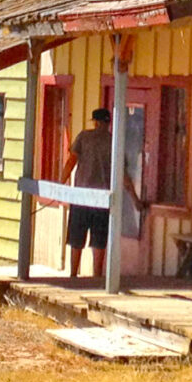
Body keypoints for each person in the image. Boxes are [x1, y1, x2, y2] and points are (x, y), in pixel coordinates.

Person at [60, 106, 141, 282]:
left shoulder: (84, 137)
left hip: (80, 196)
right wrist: (135, 199)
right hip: (102, 199)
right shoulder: (114, 143)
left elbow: (71, 162)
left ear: (95, 122)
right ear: (108, 123)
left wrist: (60, 184)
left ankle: (73, 275)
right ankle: (96, 277)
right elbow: (123, 175)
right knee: (99, 240)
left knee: (76, 238)